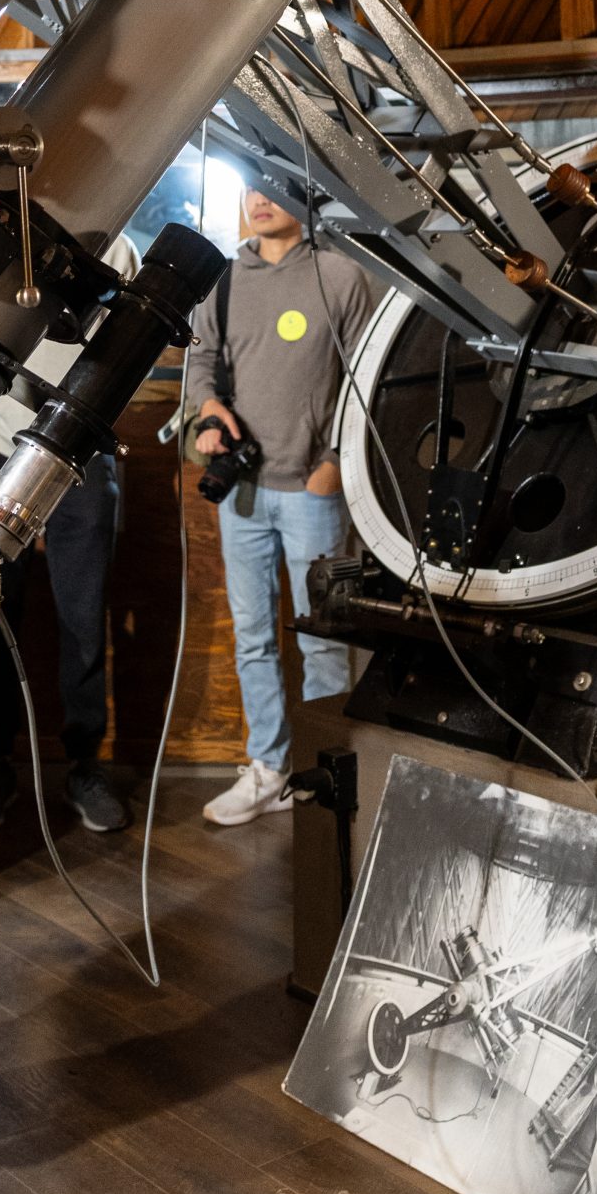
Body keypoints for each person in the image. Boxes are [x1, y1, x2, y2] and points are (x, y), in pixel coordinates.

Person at [189, 189, 374, 826]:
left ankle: (327, 771)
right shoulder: (224, 278)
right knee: (252, 639)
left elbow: (364, 380)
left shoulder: (340, 275)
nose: (258, 200)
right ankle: (266, 768)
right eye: (249, 188)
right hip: (241, 491)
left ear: (305, 190)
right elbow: (202, 360)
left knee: (324, 640)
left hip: (312, 494)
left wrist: (332, 463)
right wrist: (207, 411)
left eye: (273, 185)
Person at [0, 236, 138, 838]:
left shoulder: (120, 249)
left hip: (79, 451)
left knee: (83, 616)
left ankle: (84, 762)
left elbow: (121, 356)